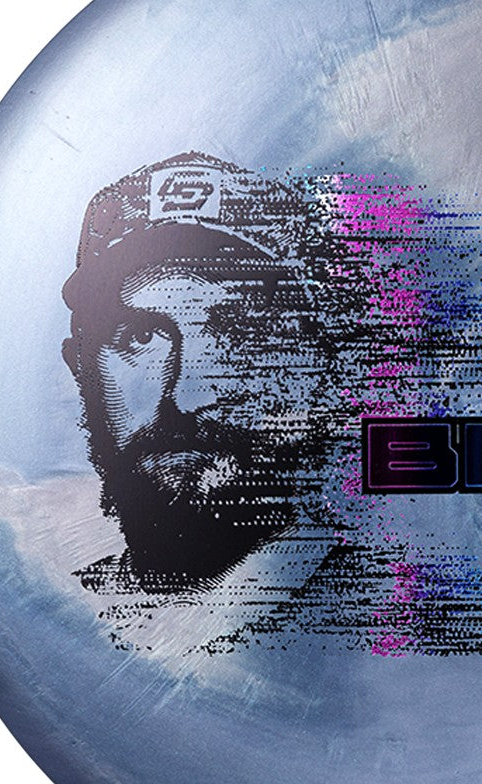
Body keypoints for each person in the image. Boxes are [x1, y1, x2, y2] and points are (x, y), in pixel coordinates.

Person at [60, 152, 356, 650]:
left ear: (320, 372)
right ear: (81, 369)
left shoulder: (392, 631)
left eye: (240, 335)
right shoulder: (56, 619)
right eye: (139, 337)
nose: (186, 396)